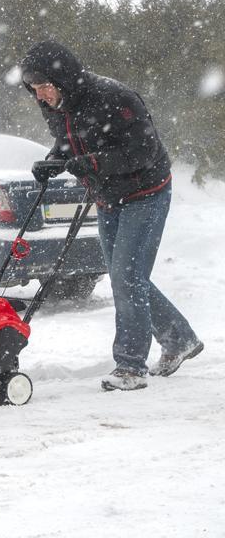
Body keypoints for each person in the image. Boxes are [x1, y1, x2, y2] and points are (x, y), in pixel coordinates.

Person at [20, 39, 203, 391]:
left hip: (146, 193)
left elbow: (143, 152)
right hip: (107, 196)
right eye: (34, 89)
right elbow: (68, 140)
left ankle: (131, 367)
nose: (40, 95)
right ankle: (179, 339)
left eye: (44, 86)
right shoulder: (56, 105)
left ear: (65, 80)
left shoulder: (115, 98)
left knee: (127, 277)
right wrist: (53, 161)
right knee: (127, 276)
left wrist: (89, 163)